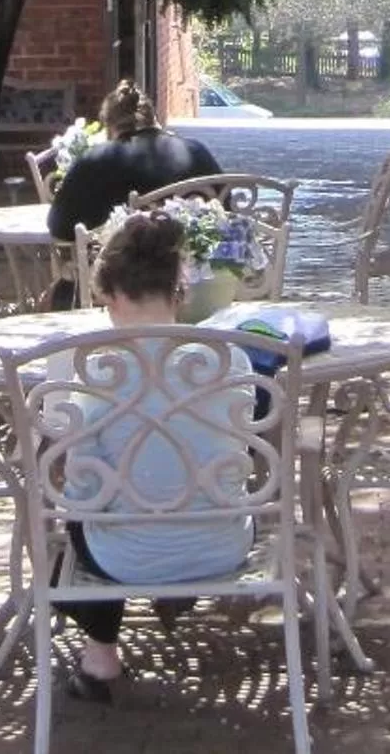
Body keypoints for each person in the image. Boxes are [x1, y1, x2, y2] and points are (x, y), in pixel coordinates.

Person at [52, 208, 255, 701]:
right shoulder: (231, 358)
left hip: (124, 558)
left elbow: (83, 491)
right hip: (224, 543)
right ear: (178, 291)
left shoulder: (97, 375)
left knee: (68, 526)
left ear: (113, 293)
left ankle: (101, 656)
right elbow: (239, 453)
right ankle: (176, 588)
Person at [45, 79, 220, 286]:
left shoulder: (96, 160)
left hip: (125, 286)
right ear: (154, 119)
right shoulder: (196, 152)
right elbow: (227, 211)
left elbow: (59, 227)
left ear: (109, 126)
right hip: (201, 282)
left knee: (56, 292)